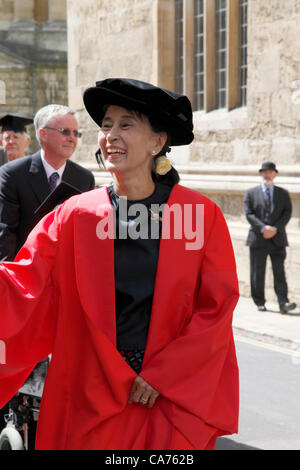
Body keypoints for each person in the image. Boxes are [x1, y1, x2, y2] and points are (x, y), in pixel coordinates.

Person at [0, 78, 239, 450]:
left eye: (126, 124)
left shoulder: (197, 215)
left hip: (166, 398)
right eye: (106, 125)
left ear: (158, 142)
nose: (110, 135)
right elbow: (21, 285)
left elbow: (216, 308)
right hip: (91, 393)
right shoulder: (75, 215)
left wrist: (165, 375)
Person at [0, 104, 95, 261]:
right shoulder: (12, 174)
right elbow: (6, 234)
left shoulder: (84, 178)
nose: (72, 138)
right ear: (43, 134)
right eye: (65, 132)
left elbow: (85, 233)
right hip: (27, 269)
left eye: (76, 133)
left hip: (66, 272)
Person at [244, 161, 296, 313]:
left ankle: (283, 302)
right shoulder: (251, 193)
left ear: (275, 174)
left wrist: (274, 228)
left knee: (279, 272)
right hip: (258, 239)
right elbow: (248, 213)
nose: (267, 175)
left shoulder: (283, 193)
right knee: (257, 272)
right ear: (261, 174)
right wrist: (262, 228)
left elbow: (287, 213)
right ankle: (259, 301)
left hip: (277, 238)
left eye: (270, 172)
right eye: (264, 172)